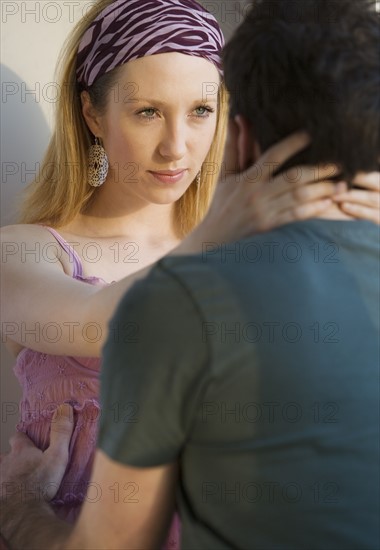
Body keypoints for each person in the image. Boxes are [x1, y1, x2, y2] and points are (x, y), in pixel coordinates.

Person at [0, 0, 379, 548]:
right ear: (91, 114)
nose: (177, 146)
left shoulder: (253, 249)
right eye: (147, 111)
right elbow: (99, 324)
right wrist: (218, 228)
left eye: (201, 111)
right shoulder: (25, 251)